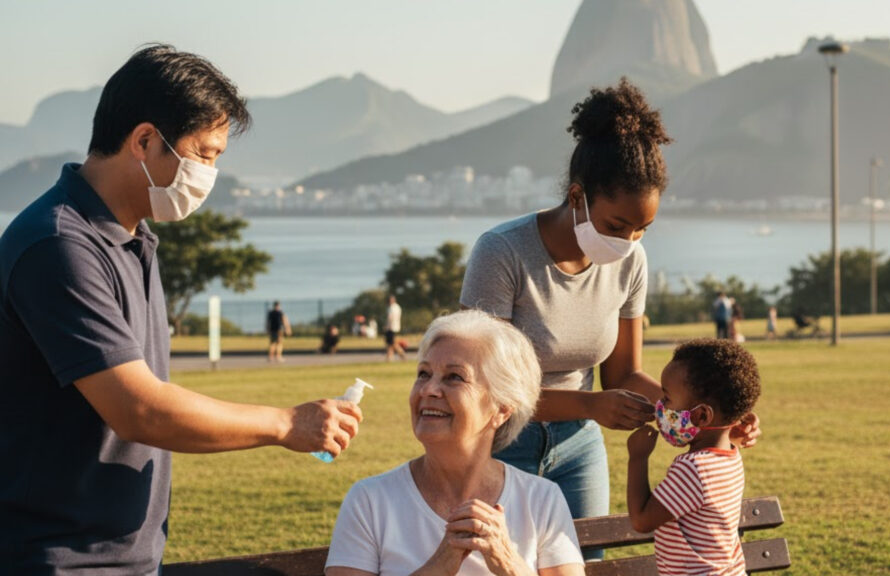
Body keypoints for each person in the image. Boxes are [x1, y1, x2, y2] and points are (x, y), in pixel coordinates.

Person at [0, 45, 362, 575]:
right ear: (145, 140)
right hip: (57, 560)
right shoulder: (60, 245)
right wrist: (286, 423)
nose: (209, 174)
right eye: (204, 154)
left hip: (124, 559)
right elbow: (139, 409)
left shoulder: (134, 238)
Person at [459, 79, 760, 560]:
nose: (628, 242)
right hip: (499, 445)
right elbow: (481, 388)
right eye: (617, 226)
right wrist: (591, 404)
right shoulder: (502, 253)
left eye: (643, 229)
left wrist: (714, 417)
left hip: (579, 448)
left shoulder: (631, 262)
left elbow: (623, 376)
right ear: (577, 196)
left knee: (581, 566)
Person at [325, 310, 584, 576]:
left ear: (502, 409)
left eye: (454, 377)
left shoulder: (541, 499)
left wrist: (508, 562)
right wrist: (440, 565)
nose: (428, 389)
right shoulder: (370, 501)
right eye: (424, 374)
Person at [626, 339, 761, 576]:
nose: (660, 405)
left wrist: (638, 457)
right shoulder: (731, 456)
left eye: (667, 398)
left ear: (701, 416)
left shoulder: (693, 469)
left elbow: (642, 521)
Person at [385, 294, 406, 361]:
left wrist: (386, 326)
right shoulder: (397, 307)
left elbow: (390, 318)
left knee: (391, 343)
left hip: (391, 327)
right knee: (390, 343)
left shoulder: (391, 308)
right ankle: (389, 357)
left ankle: (401, 353)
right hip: (396, 327)